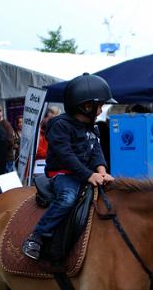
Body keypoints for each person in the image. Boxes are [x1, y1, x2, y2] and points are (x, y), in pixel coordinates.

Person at [22, 73, 117, 260]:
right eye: (99, 105)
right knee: (67, 198)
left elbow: (96, 150)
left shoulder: (92, 127)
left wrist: (103, 172)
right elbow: (66, 156)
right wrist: (89, 175)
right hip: (64, 174)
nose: (101, 110)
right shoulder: (60, 125)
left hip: (88, 173)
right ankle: (37, 237)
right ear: (86, 106)